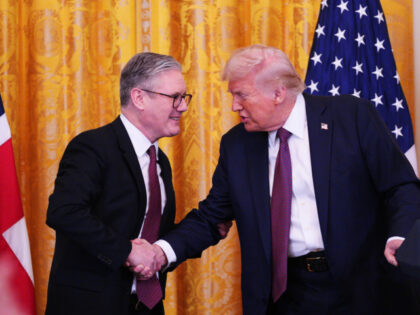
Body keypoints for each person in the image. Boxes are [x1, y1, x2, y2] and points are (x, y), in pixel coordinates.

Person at [140, 45, 420, 314]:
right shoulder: (237, 145)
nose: (235, 106)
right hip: (286, 296)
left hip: (363, 288)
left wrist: (401, 235)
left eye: (241, 95)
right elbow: (212, 218)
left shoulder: (350, 116)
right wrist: (161, 252)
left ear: (278, 92)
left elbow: (400, 185)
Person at [45, 52, 229, 315]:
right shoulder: (93, 147)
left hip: (145, 306)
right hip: (90, 306)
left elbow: (150, 234)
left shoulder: (159, 160)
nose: (183, 106)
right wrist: (127, 251)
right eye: (175, 97)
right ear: (139, 97)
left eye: (184, 97)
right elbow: (64, 212)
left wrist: (196, 233)